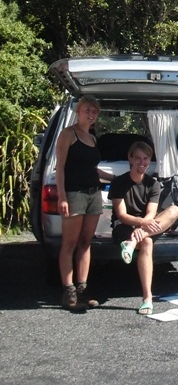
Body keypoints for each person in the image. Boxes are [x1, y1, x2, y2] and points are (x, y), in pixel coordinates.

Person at [108, 141, 178, 315]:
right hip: (124, 227)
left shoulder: (153, 184)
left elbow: (151, 213)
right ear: (130, 159)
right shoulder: (119, 182)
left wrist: (142, 228)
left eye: (145, 158)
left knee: (175, 209)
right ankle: (147, 298)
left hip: (146, 226)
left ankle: (131, 245)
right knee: (147, 242)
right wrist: (141, 225)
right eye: (138, 158)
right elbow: (122, 216)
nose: (142, 162)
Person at [55, 94, 107, 312]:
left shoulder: (92, 138)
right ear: (78, 111)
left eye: (94, 111)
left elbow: (93, 169)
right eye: (87, 110)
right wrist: (62, 197)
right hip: (74, 194)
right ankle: (69, 292)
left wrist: (117, 178)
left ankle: (83, 289)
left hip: (93, 195)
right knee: (69, 244)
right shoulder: (69, 134)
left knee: (86, 243)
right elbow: (60, 167)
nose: (91, 114)